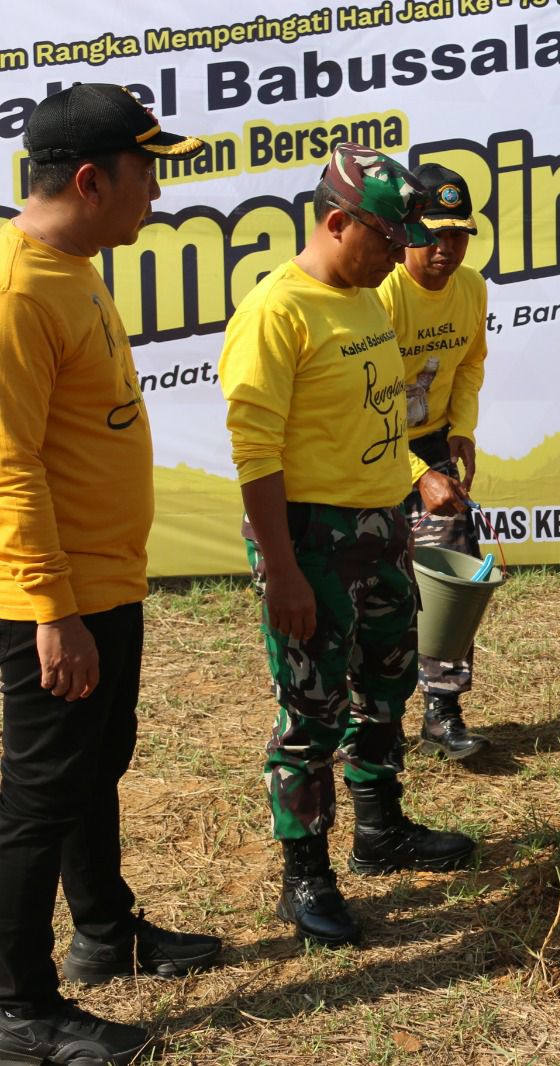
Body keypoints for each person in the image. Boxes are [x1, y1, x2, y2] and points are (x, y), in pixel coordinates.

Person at [0, 83, 221, 1065]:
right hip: (52, 600)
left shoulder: (73, 263)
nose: (158, 194)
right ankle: (19, 1009)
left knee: (95, 766)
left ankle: (103, 931)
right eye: (148, 172)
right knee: (41, 794)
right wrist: (51, 611)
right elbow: (8, 465)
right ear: (91, 179)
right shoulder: (17, 290)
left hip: (104, 583)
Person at [219, 144, 476, 950]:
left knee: (386, 682)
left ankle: (379, 831)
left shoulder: (366, 298)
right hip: (310, 540)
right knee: (311, 713)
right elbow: (255, 457)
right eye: (388, 239)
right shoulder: (277, 312)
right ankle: (306, 879)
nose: (402, 254)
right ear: (337, 222)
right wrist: (285, 571)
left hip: (380, 529)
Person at [378, 163, 491, 762]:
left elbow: (469, 362)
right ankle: (371, 720)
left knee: (451, 576)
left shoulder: (472, 288)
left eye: (459, 234)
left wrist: (461, 432)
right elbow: (355, 407)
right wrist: (417, 477)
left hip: (430, 444)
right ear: (407, 231)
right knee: (375, 581)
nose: (447, 248)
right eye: (435, 232)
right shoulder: (383, 290)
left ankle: (443, 710)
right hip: (368, 450)